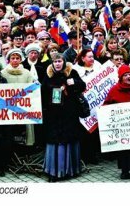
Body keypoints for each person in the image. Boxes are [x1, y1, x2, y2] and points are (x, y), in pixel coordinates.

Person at [41, 54, 85, 182]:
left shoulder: (72, 72)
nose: (57, 64)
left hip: (69, 114)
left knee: (69, 140)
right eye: (55, 62)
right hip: (53, 115)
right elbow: (43, 92)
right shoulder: (48, 75)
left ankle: (70, 170)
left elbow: (83, 85)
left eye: (60, 61)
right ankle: (54, 172)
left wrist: (74, 82)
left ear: (64, 62)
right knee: (55, 142)